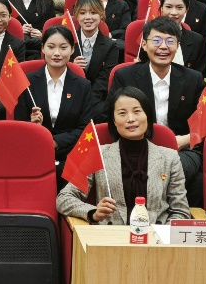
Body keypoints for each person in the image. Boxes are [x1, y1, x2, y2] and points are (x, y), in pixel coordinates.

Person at [56, 86, 192, 225]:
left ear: (147, 116)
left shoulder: (170, 158)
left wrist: (162, 234)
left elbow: (180, 211)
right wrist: (93, 213)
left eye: (137, 111)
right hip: (112, 235)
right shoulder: (98, 154)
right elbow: (64, 198)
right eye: (122, 113)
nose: (131, 119)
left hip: (155, 235)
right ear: (114, 121)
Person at [111, 17, 206, 206]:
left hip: (181, 148)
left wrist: (183, 140)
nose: (163, 47)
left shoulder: (194, 79)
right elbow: (113, 117)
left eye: (170, 41)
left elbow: (205, 124)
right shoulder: (125, 76)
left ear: (178, 46)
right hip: (137, 145)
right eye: (156, 41)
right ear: (144, 45)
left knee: (191, 175)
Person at [10, 27, 93, 176]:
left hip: (70, 152)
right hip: (34, 150)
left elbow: (84, 129)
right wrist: (33, 125)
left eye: (63, 47)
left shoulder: (83, 85)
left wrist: (55, 142)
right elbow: (18, 124)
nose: (56, 53)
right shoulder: (26, 82)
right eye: (51, 47)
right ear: (42, 48)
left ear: (72, 49)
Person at [70, 0, 122, 118]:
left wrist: (87, 103)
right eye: (82, 13)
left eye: (93, 12)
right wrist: (72, 67)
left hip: (96, 98)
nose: (88, 18)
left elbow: (103, 81)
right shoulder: (67, 41)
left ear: (101, 14)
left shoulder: (111, 46)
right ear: (76, 15)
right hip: (69, 92)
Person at [136, 0, 206, 74]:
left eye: (179, 7)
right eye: (168, 7)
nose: (173, 12)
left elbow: (200, 75)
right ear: (161, 8)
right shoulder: (150, 36)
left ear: (186, 10)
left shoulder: (197, 41)